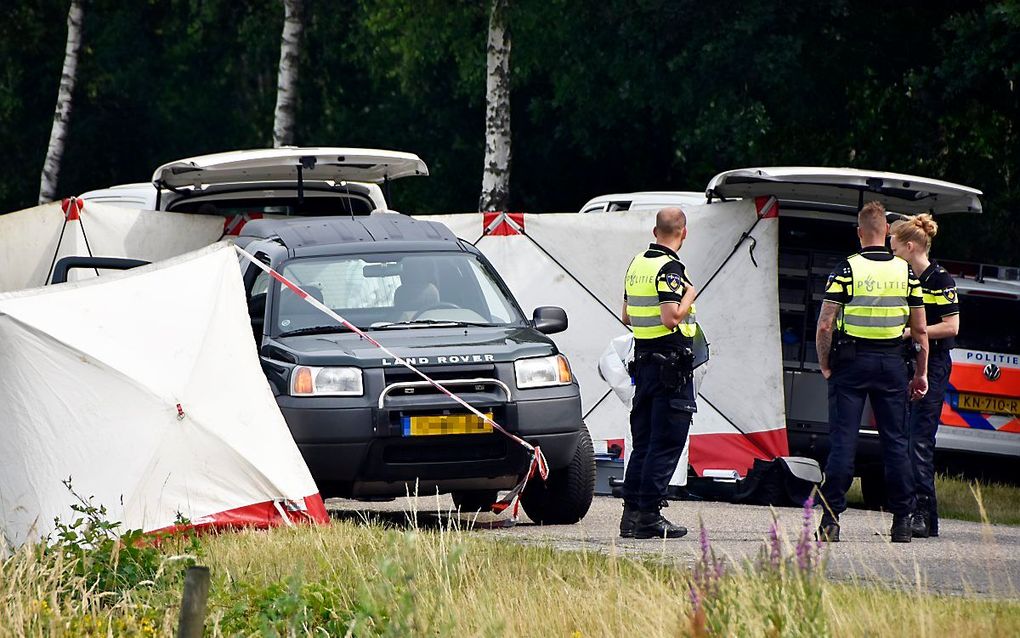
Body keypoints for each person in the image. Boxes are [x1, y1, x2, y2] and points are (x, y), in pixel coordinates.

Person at [815, 201, 929, 543]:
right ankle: (902, 521)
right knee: (895, 443)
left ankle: (831, 521)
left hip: (850, 363)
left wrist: (824, 363)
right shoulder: (905, 273)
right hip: (893, 365)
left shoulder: (846, 270)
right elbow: (921, 331)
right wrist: (920, 373)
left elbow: (825, 324)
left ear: (859, 233)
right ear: (887, 233)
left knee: (844, 442)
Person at [619, 207, 698, 539]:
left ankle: (631, 516)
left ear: (655, 232)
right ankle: (650, 515)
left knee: (644, 443)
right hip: (670, 367)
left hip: (645, 364)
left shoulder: (637, 263)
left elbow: (625, 315)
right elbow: (670, 317)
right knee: (666, 442)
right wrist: (690, 294)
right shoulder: (670, 268)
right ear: (684, 232)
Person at [890, 214, 959, 539]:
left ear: (910, 246)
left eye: (894, 244)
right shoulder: (905, 280)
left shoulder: (940, 279)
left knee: (919, 441)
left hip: (934, 363)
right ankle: (910, 509)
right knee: (904, 439)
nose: (891, 251)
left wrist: (914, 332)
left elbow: (951, 326)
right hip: (908, 362)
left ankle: (925, 514)